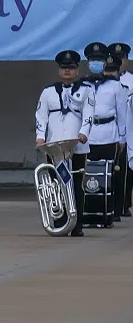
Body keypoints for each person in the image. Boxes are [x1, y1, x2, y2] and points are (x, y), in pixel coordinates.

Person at [34, 50, 93, 237]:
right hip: (54, 146)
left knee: (76, 184)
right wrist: (40, 137)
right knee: (56, 183)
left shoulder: (86, 90)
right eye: (64, 68)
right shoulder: (48, 91)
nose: (67, 71)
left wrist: (83, 133)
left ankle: (77, 224)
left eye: (71, 68)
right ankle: (59, 221)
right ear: (59, 70)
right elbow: (40, 116)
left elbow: (89, 115)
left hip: (77, 145)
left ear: (77, 70)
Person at [84, 42, 127, 222]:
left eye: (99, 60)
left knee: (109, 175)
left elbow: (122, 113)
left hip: (109, 133)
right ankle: (90, 210)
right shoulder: (82, 85)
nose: (96, 63)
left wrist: (122, 137)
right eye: (93, 60)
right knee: (88, 175)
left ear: (104, 64)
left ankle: (109, 211)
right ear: (88, 63)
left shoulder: (115, 86)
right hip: (87, 135)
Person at [110, 42, 133, 216]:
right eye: (116, 58)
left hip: (129, 128)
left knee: (126, 169)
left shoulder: (131, 80)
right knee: (109, 168)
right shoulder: (106, 79)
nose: (120, 61)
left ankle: (124, 204)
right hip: (109, 128)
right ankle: (107, 202)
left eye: (122, 58)